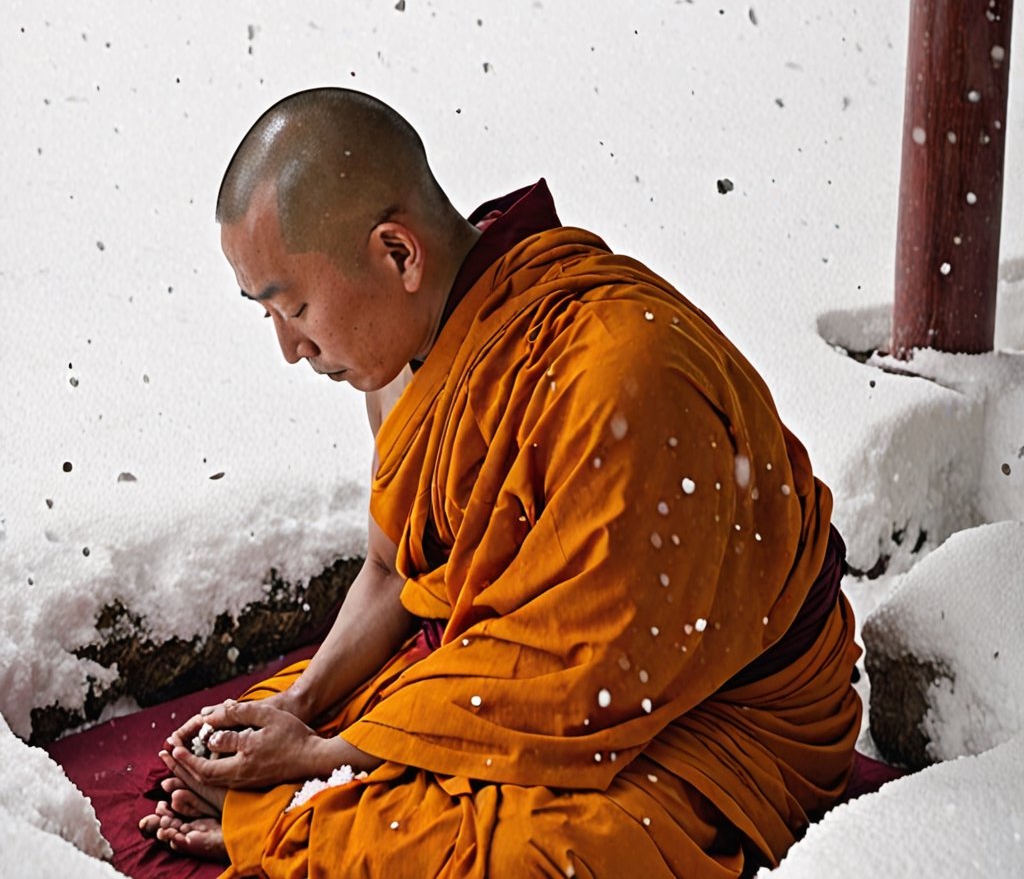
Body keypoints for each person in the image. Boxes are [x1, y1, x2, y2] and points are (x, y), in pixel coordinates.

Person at [140, 87, 861, 878]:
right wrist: (300, 708)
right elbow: (393, 573)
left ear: (399, 254)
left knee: (532, 860)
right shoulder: (406, 349)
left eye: (297, 306)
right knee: (281, 749)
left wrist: (324, 760)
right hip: (517, 666)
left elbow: (595, 675)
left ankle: (316, 815)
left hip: (710, 711)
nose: (289, 348)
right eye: (265, 314)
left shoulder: (620, 377)